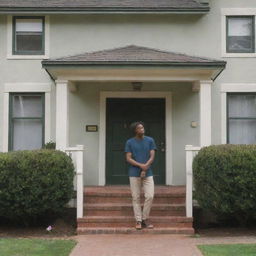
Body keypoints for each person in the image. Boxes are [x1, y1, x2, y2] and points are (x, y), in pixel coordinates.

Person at [125, 121, 157, 230]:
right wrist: (141, 166)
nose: (142, 129)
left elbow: (152, 156)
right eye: (139, 128)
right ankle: (138, 220)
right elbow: (128, 158)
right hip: (134, 173)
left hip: (148, 173)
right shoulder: (130, 142)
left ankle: (145, 218)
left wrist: (146, 166)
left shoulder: (150, 140)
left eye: (143, 127)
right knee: (136, 197)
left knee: (150, 196)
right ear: (135, 130)